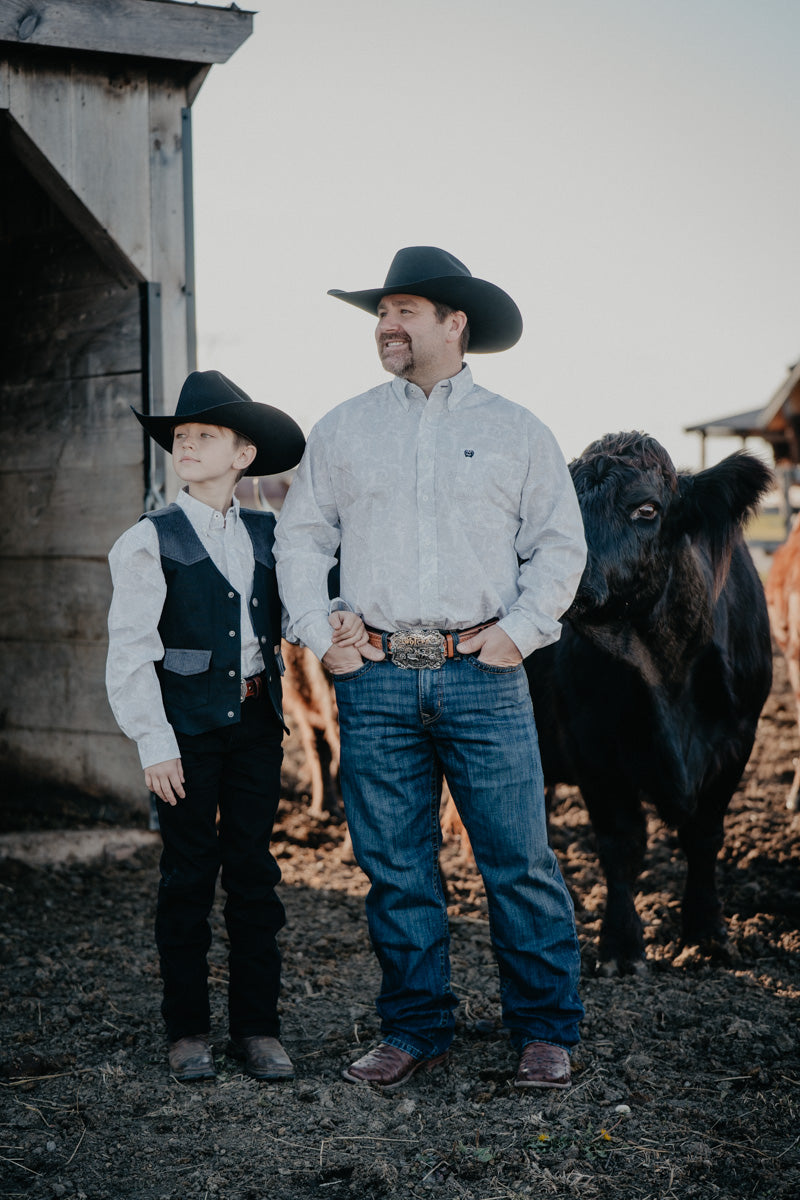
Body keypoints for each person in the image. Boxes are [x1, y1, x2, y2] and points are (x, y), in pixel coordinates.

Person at [274, 246, 588, 1091]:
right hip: (373, 675)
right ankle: (415, 1028)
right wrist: (315, 629)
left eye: (404, 310)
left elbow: (559, 545)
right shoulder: (344, 427)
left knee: (518, 862)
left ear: (456, 324)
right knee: (395, 868)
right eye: (382, 312)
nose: (386, 325)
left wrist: (519, 632)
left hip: (482, 671)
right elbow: (300, 539)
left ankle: (545, 1030)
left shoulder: (517, 430)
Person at [106, 370, 366, 1082]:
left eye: (204, 435)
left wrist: (337, 611)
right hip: (184, 735)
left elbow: (297, 606)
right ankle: (188, 1030)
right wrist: (154, 744)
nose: (186, 444)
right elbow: (129, 653)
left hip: (255, 727)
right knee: (189, 876)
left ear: (242, 454)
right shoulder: (146, 541)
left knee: (254, 876)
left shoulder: (267, 533)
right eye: (180, 437)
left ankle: (259, 1029)